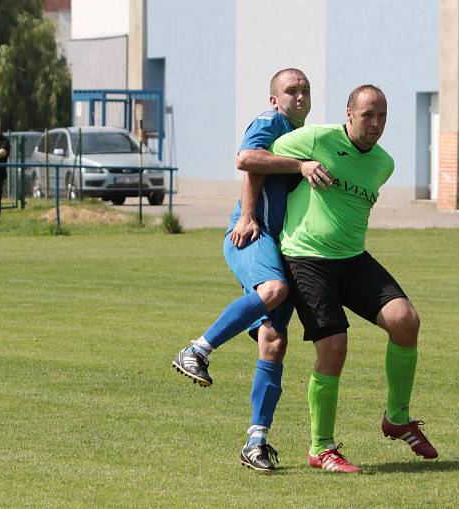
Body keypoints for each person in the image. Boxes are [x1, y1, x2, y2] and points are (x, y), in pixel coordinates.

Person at [269, 84, 438, 474]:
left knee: (405, 320)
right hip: (306, 258)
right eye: (367, 115)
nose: (376, 123)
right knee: (334, 348)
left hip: (352, 258)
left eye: (382, 116)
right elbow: (254, 156)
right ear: (349, 114)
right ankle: (321, 448)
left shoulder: (384, 164)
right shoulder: (317, 138)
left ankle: (397, 417)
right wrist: (300, 166)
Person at [171, 68, 331, 471]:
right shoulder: (269, 121)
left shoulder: (303, 138)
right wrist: (246, 215)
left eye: (305, 90)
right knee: (274, 289)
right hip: (250, 234)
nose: (299, 96)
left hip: (282, 247)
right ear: (275, 99)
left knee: (274, 343)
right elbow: (246, 159)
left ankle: (256, 441)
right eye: (291, 91)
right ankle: (197, 349)